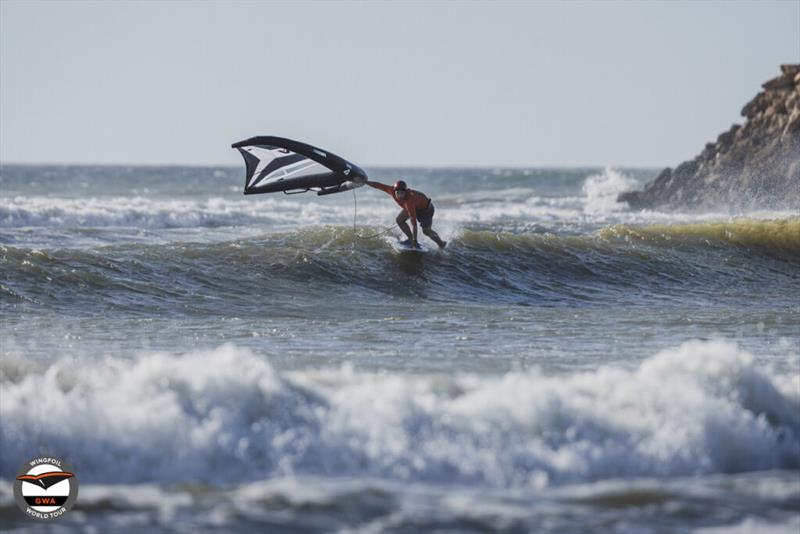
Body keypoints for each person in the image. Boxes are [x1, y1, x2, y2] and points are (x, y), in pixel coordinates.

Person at [366, 180, 447, 249]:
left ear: (405, 192)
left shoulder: (409, 201)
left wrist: (415, 241)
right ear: (395, 191)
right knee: (399, 220)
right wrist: (365, 182)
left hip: (426, 210)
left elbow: (414, 223)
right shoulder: (391, 190)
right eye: (398, 193)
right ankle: (410, 239)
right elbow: (378, 185)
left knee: (426, 231)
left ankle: (441, 243)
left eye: (402, 193)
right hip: (416, 207)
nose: (400, 196)